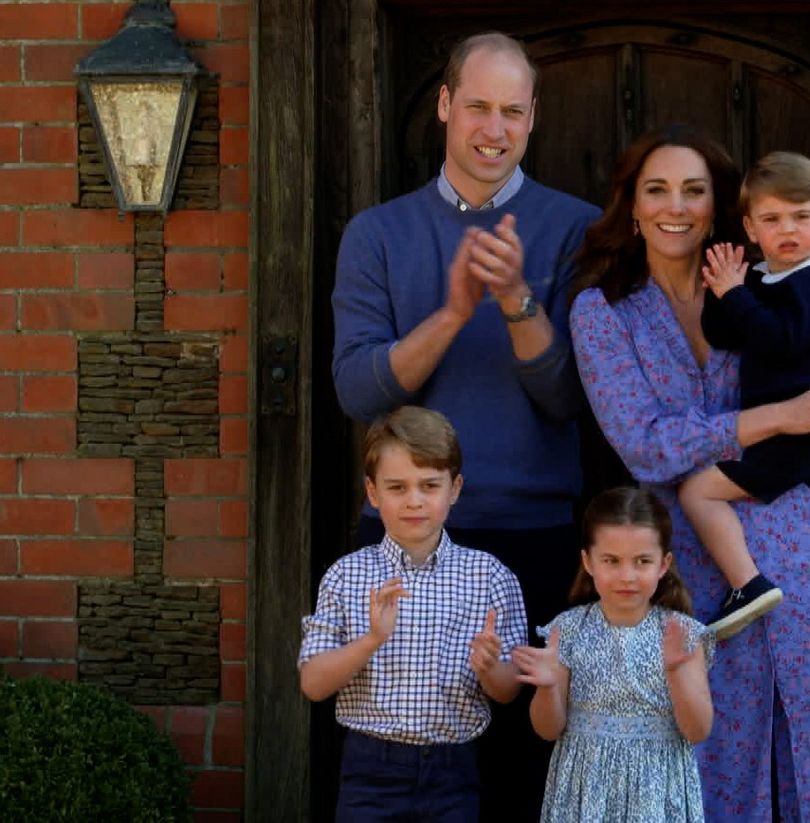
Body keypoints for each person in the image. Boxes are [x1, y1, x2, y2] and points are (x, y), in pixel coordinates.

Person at [568, 124, 810, 821]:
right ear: (633, 206)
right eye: (657, 190)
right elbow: (646, 446)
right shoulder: (603, 313)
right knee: (705, 763)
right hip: (686, 566)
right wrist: (781, 416)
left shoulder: (772, 288)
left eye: (694, 190)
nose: (674, 205)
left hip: (799, 554)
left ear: (716, 209)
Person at [329, 31, 600, 818]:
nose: (494, 128)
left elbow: (570, 398)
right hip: (406, 541)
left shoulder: (575, 229)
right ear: (445, 105)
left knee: (523, 773)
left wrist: (516, 300)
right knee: (409, 766)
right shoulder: (377, 234)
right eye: (477, 105)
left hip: (536, 538)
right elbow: (356, 389)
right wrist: (452, 312)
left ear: (534, 118)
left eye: (512, 111)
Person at [298, 407, 526, 821]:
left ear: (454, 488)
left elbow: (509, 691)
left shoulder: (490, 576)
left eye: (429, 485)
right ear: (372, 492)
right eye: (397, 487)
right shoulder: (347, 575)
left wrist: (491, 668)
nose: (415, 500)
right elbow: (313, 684)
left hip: (452, 770)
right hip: (370, 769)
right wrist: (370, 640)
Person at [680, 151, 810, 640]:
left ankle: (747, 585)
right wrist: (723, 288)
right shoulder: (766, 278)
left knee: (697, 491)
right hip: (771, 431)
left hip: (793, 438)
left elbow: (782, 341)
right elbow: (724, 334)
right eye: (772, 219)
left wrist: (738, 295)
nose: (788, 230)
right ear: (751, 230)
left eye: (801, 217)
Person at [512, 487, 714, 823]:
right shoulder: (569, 629)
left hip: (656, 791)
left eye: (642, 561)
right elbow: (548, 730)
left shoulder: (682, 634)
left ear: (664, 564)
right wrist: (548, 687)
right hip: (584, 788)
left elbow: (698, 731)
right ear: (588, 561)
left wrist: (677, 674)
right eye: (611, 561)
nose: (627, 576)